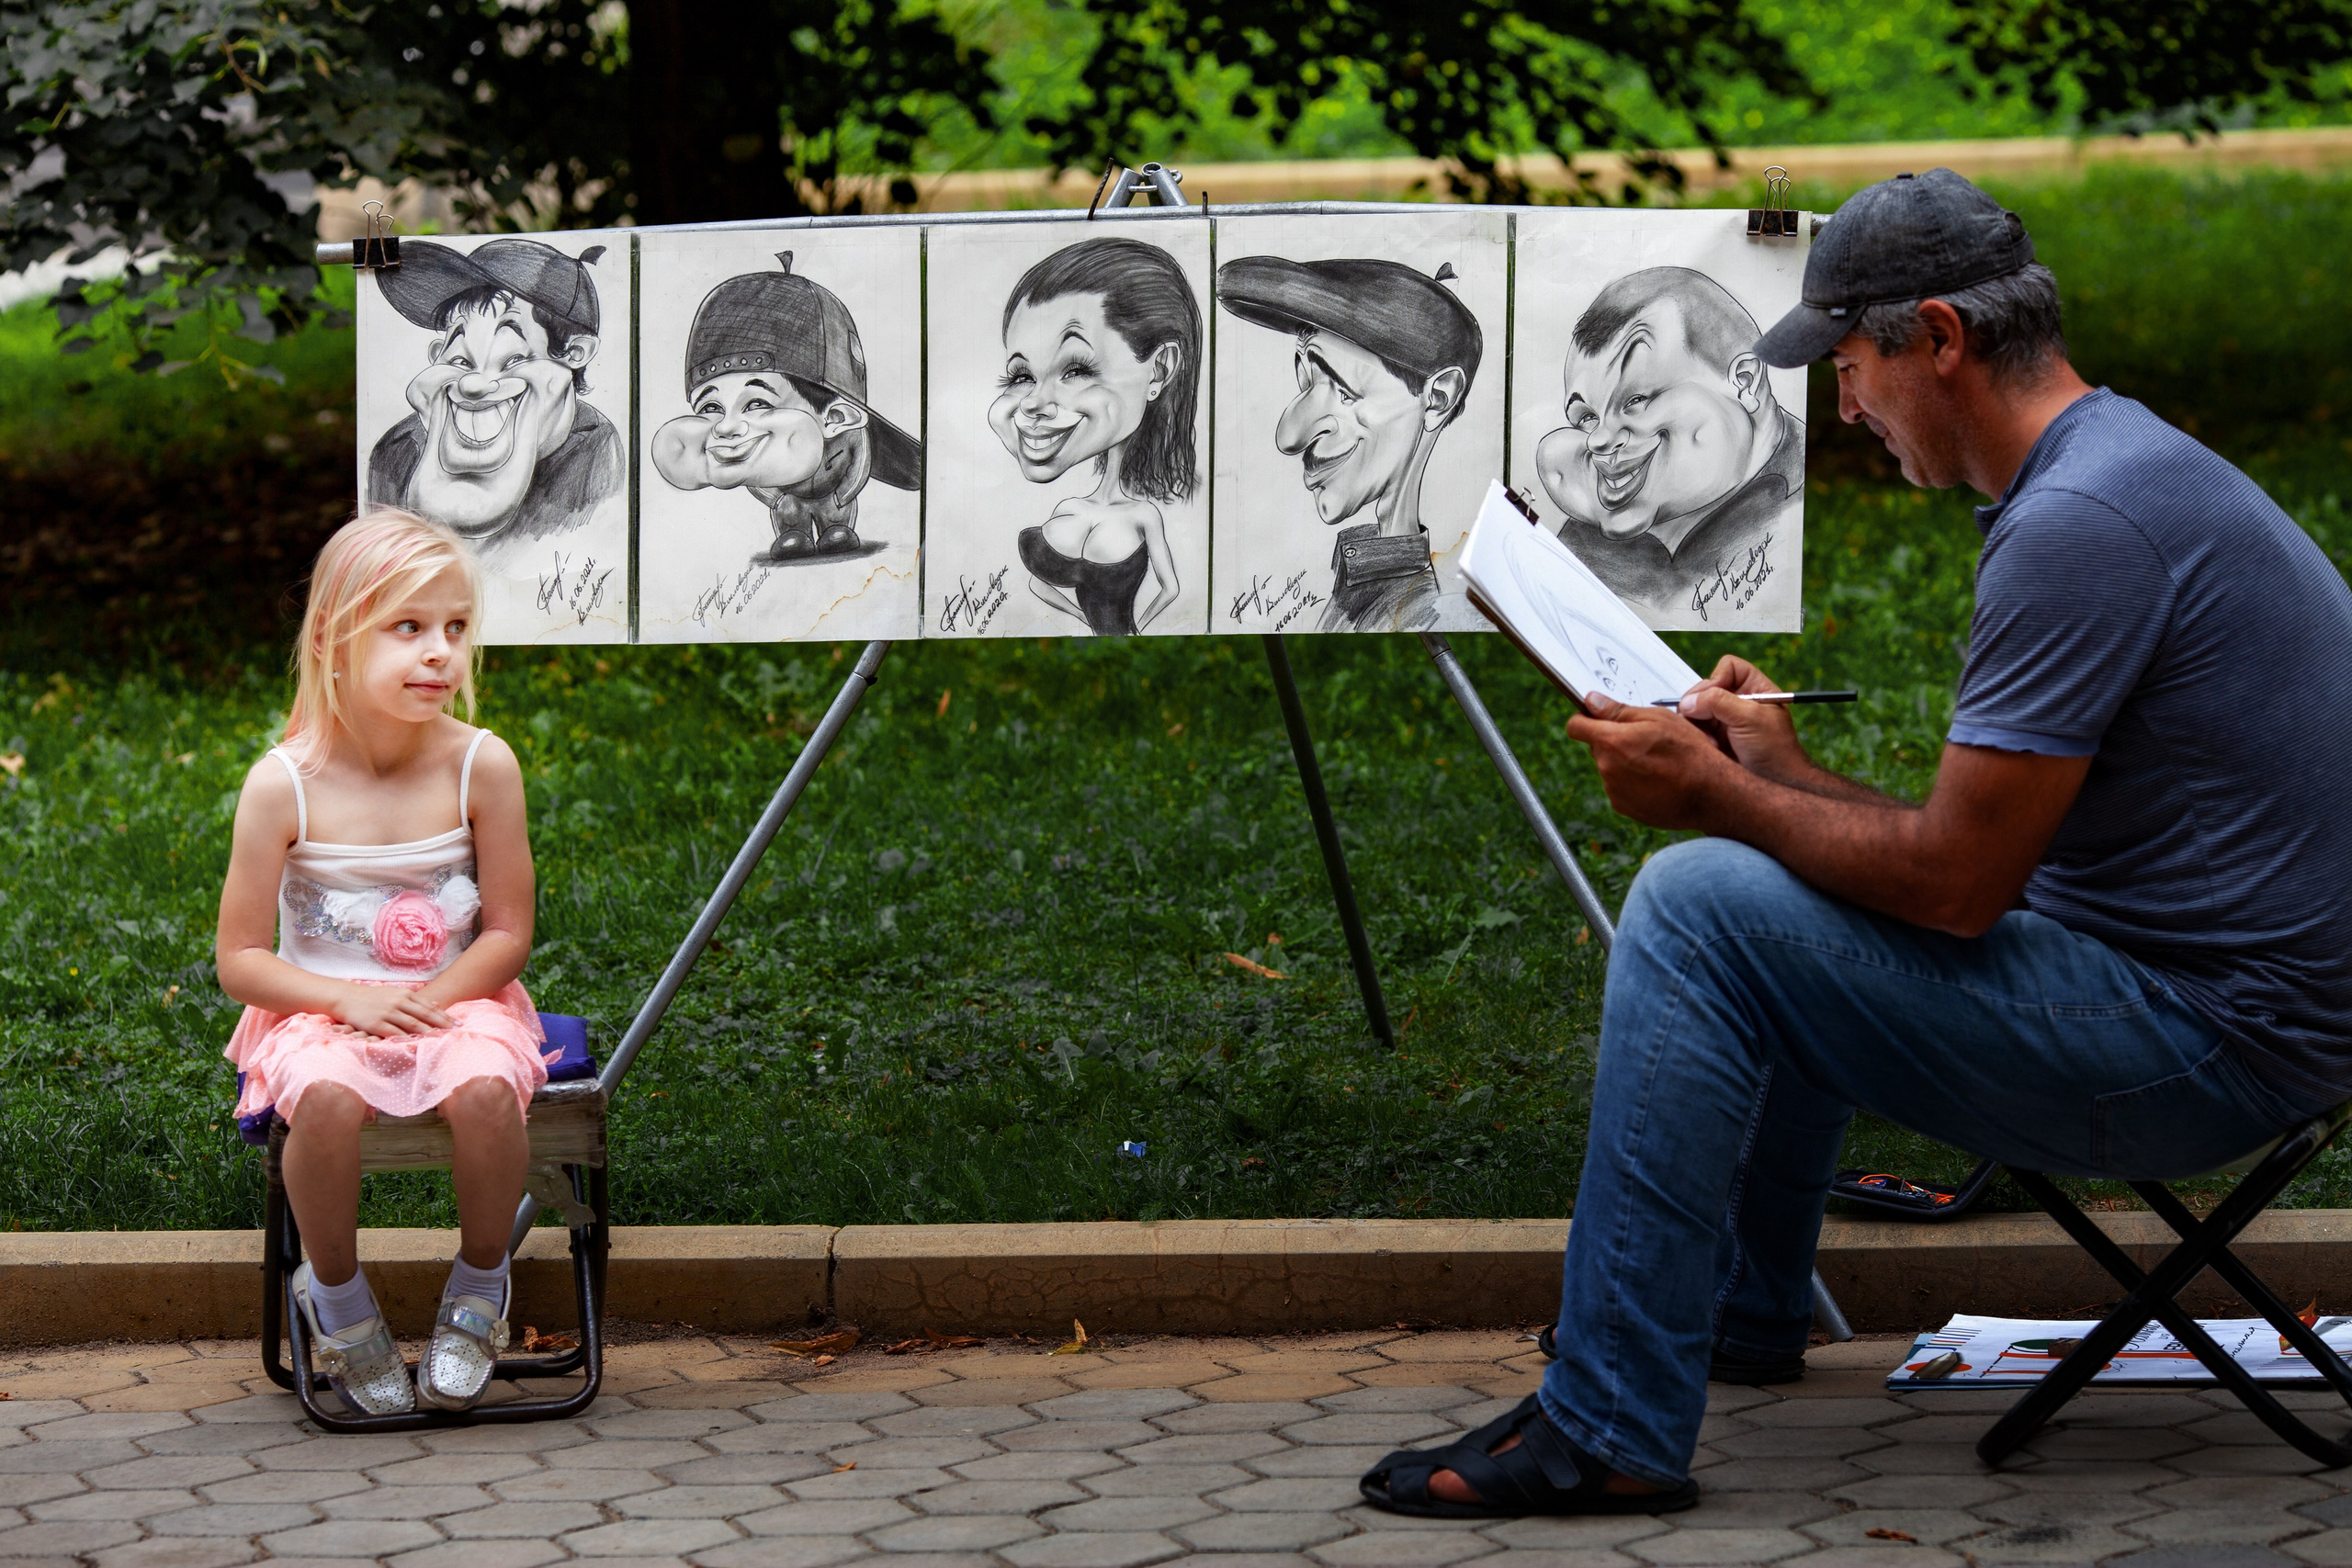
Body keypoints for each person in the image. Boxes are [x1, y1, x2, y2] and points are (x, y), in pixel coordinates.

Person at [1361, 168, 2352, 1517]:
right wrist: (1782, 771)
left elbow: (1950, 890)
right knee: (1769, 876)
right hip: (2207, 999)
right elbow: (1970, 857)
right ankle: (1739, 1310)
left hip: (2208, 1050)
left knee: (1702, 897)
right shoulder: (2115, 468)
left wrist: (1716, 798)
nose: (1843, 405)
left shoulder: (2079, 527)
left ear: (1939, 338)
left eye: (1854, 364)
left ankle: (1606, 1423)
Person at [216, 512, 548, 1417]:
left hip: (458, 996)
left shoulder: (482, 766)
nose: (439, 652)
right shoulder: (282, 783)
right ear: (333, 636)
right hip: (317, 1004)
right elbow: (240, 960)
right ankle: (338, 1300)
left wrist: (432, 997)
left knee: (484, 1088)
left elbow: (508, 933)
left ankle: (481, 1288)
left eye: (453, 628)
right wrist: (344, 1002)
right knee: (324, 1096)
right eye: (408, 628)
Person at [1216, 256, 1481, 632]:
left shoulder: (1417, 614)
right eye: (1306, 381)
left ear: (1438, 398)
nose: (1289, 437)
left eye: (1343, 392)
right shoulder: (1360, 580)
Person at [1534, 266, 1804, 616]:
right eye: (1587, 417)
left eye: (1636, 400)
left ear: (1745, 382)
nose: (1599, 440)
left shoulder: (1799, 516)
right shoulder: (1587, 536)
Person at [651, 251, 923, 563]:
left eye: (757, 403)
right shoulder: (757, 462)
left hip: (834, 496)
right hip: (789, 502)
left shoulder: (853, 443)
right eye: (711, 407)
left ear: (835, 417)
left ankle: (836, 528)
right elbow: (760, 482)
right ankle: (793, 533)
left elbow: (857, 470)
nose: (724, 427)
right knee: (791, 512)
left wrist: (843, 495)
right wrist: (778, 501)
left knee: (835, 513)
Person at [368, 239, 624, 565]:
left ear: (575, 354)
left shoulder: (598, 458)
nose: (473, 384)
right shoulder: (396, 453)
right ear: (436, 357)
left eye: (513, 358)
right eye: (460, 361)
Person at [991, 237, 1197, 637]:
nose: (1034, 402)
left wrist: (1140, 627)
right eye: (1021, 375)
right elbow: (1037, 583)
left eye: (1076, 369)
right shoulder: (1069, 506)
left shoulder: (1149, 513)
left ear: (1159, 370)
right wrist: (1081, 617)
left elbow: (1172, 589)